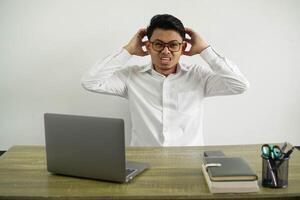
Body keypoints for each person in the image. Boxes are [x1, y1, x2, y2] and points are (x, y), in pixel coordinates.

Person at [81, 14, 249, 146]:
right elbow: (90, 82)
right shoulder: (131, 77)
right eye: (159, 44)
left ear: (183, 47)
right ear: (149, 46)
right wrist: (128, 50)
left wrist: (206, 50)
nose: (166, 51)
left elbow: (240, 85)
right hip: (143, 163)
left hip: (190, 163)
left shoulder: (199, 76)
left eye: (173, 45)